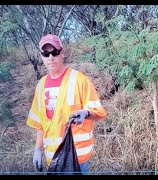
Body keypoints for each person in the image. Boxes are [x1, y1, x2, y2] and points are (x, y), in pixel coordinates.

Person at [26, 34, 107, 174]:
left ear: (62, 53)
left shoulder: (79, 80)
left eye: (55, 52)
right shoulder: (41, 85)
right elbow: (40, 123)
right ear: (41, 56)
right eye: (46, 53)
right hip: (53, 156)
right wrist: (38, 150)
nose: (50, 57)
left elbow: (98, 112)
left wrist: (86, 113)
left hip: (77, 156)